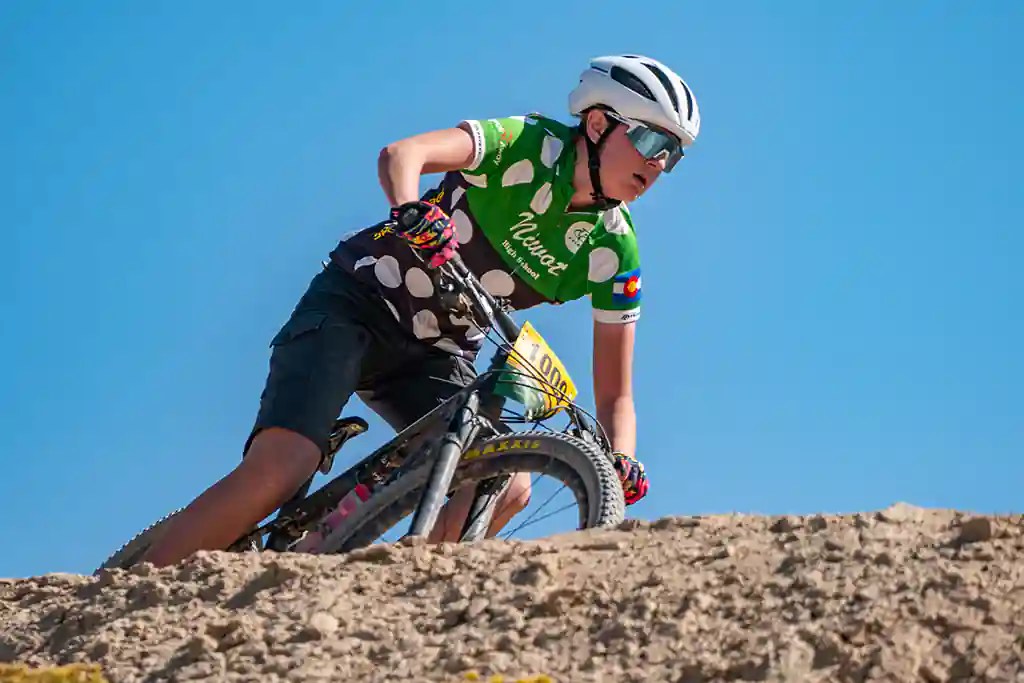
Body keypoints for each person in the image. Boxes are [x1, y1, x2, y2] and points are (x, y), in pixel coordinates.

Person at [142, 54, 700, 567]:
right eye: (653, 141)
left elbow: (616, 395)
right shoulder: (526, 142)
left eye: (672, 157)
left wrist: (621, 460)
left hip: (436, 352)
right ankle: (121, 598)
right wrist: (411, 209)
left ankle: (405, 588)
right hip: (358, 305)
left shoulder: (614, 252)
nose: (658, 165)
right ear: (599, 124)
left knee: (506, 484)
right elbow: (403, 154)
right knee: (282, 470)